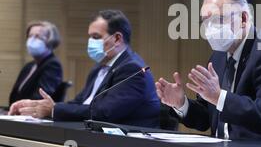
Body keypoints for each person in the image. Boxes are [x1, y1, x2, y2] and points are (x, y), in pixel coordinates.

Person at [156, 0, 261, 140]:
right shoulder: (218, 57)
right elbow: (206, 118)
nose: (210, 28)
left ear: (244, 18)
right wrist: (181, 103)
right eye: (205, 21)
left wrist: (219, 97)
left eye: (218, 19)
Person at [9, 9, 160, 128]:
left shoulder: (132, 69)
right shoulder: (98, 68)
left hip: (127, 146)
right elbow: (80, 102)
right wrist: (36, 105)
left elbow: (104, 112)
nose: (90, 42)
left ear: (117, 39)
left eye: (95, 37)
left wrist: (54, 109)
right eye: (90, 37)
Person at [9, 21, 62, 105]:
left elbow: (40, 97)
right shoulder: (29, 66)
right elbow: (15, 95)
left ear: (50, 40)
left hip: (34, 115)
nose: (32, 40)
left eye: (38, 36)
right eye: (30, 36)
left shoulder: (52, 65)